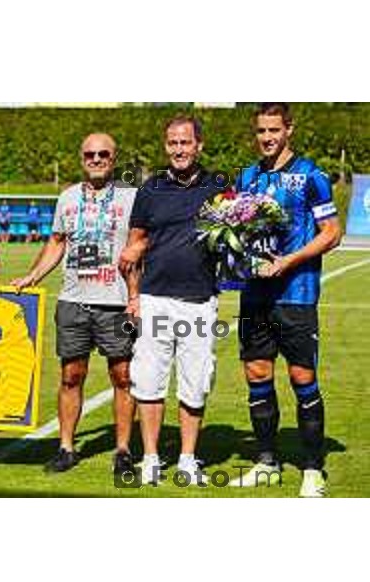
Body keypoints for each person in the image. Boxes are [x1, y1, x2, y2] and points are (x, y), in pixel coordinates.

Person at [230, 103, 342, 497]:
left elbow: (332, 232)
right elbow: (237, 230)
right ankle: (266, 463)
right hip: (255, 295)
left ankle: (313, 469)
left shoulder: (312, 176)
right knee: (258, 375)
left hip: (296, 295)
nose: (266, 138)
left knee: (301, 378)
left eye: (274, 130)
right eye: (261, 131)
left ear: (288, 129)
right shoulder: (248, 176)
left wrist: (288, 261)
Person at [13, 133, 137, 475]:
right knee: (71, 375)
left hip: (117, 303)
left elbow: (143, 243)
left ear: (114, 158)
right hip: (73, 302)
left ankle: (123, 450)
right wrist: (32, 276)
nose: (96, 159)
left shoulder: (132, 198)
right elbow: (56, 242)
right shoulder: (67, 197)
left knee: (123, 376)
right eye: (89, 154)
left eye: (103, 154)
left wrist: (138, 294)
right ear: (81, 158)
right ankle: (66, 447)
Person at [119, 117, 219, 486]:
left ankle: (188, 460)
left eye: (186, 142)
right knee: (148, 382)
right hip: (155, 300)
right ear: (166, 147)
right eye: (173, 143)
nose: (179, 149)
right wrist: (133, 297)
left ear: (199, 145)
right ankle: (150, 459)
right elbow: (133, 247)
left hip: (198, 301)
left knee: (195, 382)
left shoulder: (219, 188)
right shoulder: (150, 189)